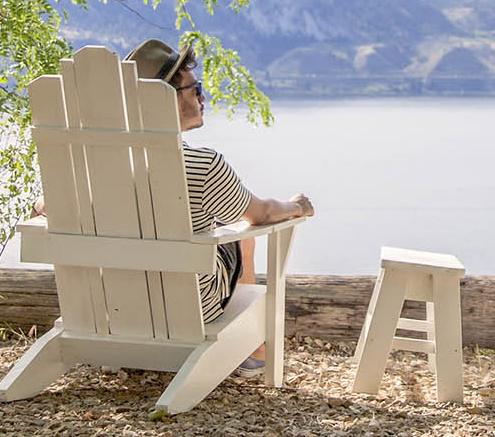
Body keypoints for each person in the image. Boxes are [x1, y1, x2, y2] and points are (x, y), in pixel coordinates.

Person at [33, 39, 314, 378]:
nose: (202, 97)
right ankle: (251, 351)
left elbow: (45, 205)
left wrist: (42, 203)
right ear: (167, 98)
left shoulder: (92, 168)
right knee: (242, 235)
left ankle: (244, 351)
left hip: (109, 305)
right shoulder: (204, 165)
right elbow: (262, 215)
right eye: (194, 89)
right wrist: (296, 206)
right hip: (190, 309)